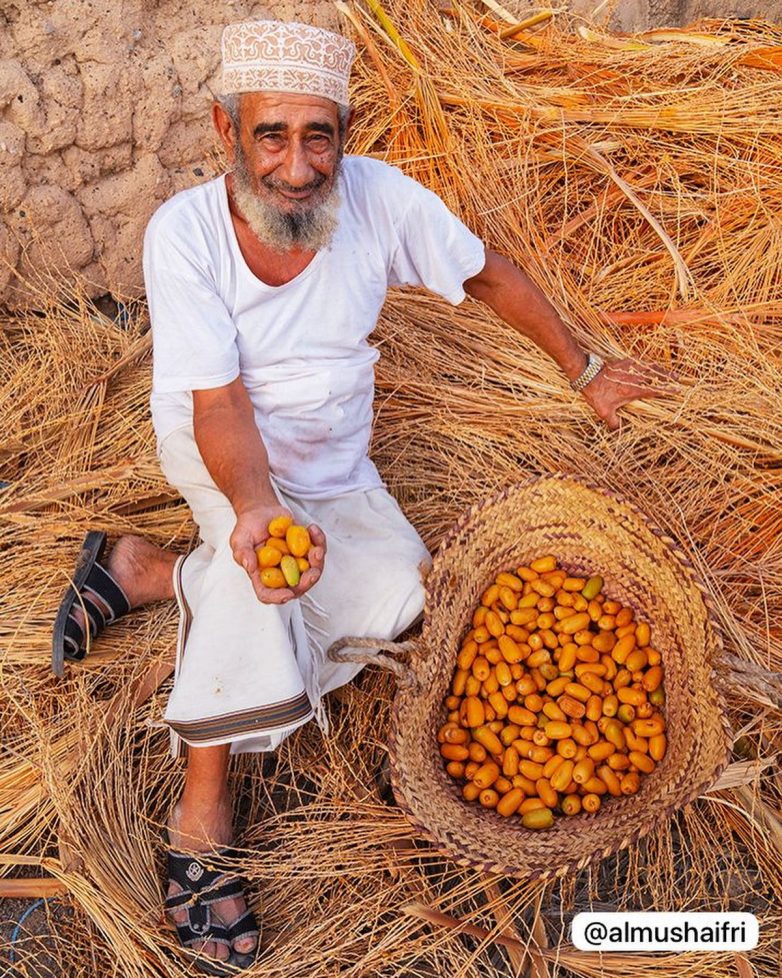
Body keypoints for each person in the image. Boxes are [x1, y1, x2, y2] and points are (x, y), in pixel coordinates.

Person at [51, 18, 673, 974]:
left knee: (398, 600)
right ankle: (201, 820)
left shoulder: (380, 200)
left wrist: (583, 366)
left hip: (334, 458)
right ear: (226, 132)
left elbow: (485, 275)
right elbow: (217, 404)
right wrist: (256, 510)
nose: (297, 167)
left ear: (345, 133)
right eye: (271, 136)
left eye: (319, 136)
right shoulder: (183, 234)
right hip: (226, 452)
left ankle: (142, 569)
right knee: (262, 594)